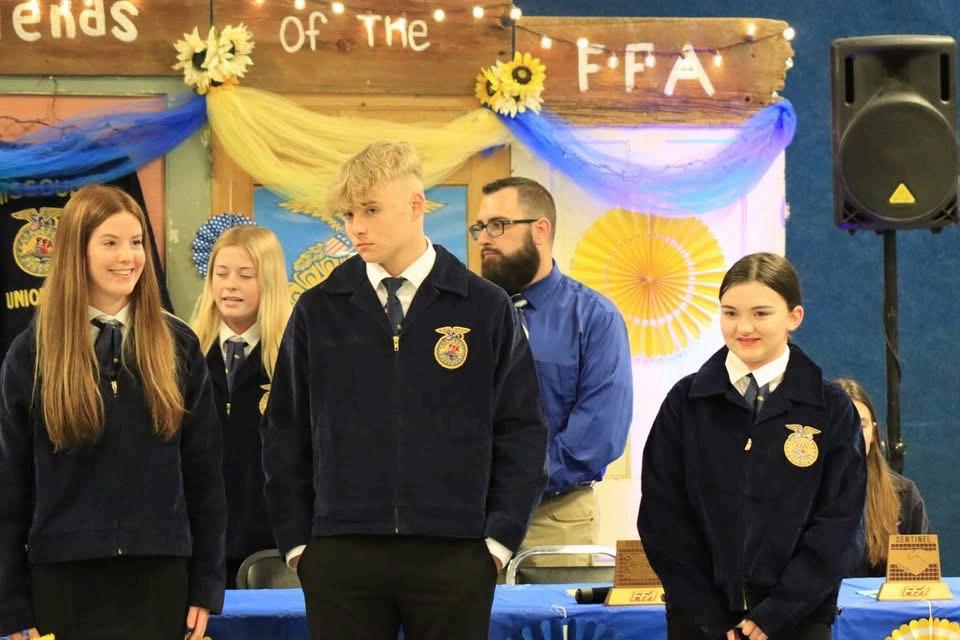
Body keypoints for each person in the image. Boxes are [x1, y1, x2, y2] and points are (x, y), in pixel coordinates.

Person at [260, 141, 547, 640]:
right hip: (340, 554)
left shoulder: (484, 307)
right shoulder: (318, 310)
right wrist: (299, 546)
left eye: (370, 210)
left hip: (456, 553)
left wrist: (498, 542)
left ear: (415, 206)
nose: (356, 227)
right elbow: (284, 430)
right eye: (349, 214)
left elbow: (521, 430)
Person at [0, 184, 225, 640]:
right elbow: (9, 487)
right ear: (76, 251)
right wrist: (11, 602)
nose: (128, 257)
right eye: (110, 242)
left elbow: (204, 477)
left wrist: (206, 584)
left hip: (161, 580)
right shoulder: (31, 353)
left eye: (136, 242)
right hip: (63, 582)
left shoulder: (179, 345)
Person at [638, 252, 866, 640]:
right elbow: (662, 515)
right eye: (730, 313)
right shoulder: (685, 402)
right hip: (700, 623)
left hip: (799, 620)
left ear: (794, 317)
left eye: (761, 313)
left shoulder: (831, 409)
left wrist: (776, 613)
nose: (743, 327)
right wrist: (709, 616)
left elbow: (839, 524)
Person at [473, 176, 633, 557]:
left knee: (556, 603)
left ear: (540, 230)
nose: (483, 239)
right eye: (479, 227)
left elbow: (599, 435)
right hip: (469, 518)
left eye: (497, 225)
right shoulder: (464, 316)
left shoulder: (594, 318)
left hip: (556, 518)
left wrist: (517, 481)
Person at [190, 225, 291, 587]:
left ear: (269, 281)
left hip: (272, 548)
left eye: (245, 275)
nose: (230, 285)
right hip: (196, 547)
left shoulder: (293, 358)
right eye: (221, 274)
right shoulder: (183, 355)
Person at [834, 378, 929, 577]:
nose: (853, 435)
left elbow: (918, 578)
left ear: (874, 434)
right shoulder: (799, 495)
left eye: (861, 425)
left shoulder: (904, 495)